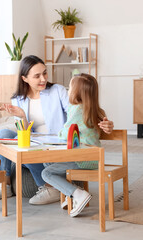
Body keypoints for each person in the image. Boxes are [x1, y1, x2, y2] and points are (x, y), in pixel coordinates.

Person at [0, 55, 114, 204]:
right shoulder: (18, 99)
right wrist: (22, 116)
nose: (43, 79)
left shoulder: (57, 90)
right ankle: (5, 184)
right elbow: (24, 132)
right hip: (35, 141)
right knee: (2, 135)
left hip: (56, 143)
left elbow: (79, 110)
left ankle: (48, 187)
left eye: (45, 73)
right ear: (25, 78)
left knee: (21, 143)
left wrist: (105, 124)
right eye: (37, 76)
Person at [41, 73, 106, 217]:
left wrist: (58, 134)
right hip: (93, 158)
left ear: (77, 92)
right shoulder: (96, 110)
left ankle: (77, 194)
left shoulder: (77, 109)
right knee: (47, 161)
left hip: (82, 159)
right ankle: (70, 192)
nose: (68, 90)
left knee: (46, 172)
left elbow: (66, 133)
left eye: (70, 87)